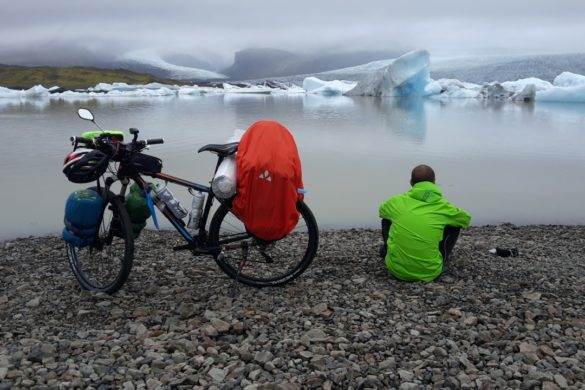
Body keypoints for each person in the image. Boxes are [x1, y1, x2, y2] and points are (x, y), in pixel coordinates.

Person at [378, 164, 471, 282]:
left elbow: (382, 211)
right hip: (430, 272)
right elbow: (465, 220)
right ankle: (442, 258)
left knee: (387, 219)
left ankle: (387, 251)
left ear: (411, 182)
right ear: (434, 182)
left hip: (396, 270)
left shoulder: (396, 202)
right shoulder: (443, 207)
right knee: (454, 225)